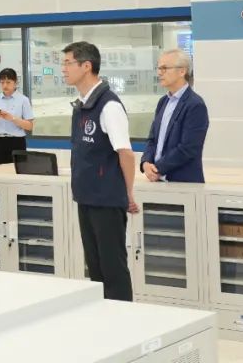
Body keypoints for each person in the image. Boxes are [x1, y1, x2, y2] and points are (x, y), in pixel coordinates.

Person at [62, 41, 137, 302]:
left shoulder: (109, 106)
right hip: (86, 197)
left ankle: (123, 317)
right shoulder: (82, 105)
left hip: (106, 199)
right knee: (95, 269)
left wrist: (128, 193)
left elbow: (126, 153)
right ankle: (103, 317)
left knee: (112, 268)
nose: (63, 69)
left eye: (68, 63)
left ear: (86, 66)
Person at [140, 49, 209, 184]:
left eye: (164, 68)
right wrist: (146, 163)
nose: (159, 73)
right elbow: (152, 139)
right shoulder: (163, 102)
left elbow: (188, 148)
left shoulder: (195, 105)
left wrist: (158, 169)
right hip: (157, 181)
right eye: (158, 68)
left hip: (183, 184)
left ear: (182, 71)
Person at [0, 68, 34, 165]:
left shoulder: (23, 100)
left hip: (17, 142)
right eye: (2, 82)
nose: (5, 85)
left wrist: (12, 118)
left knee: (18, 172)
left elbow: (30, 126)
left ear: (15, 82)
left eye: (8, 82)